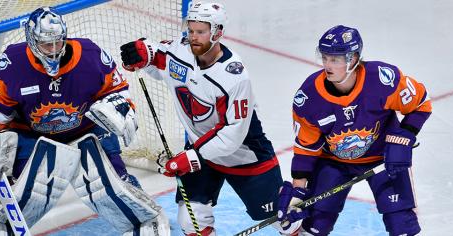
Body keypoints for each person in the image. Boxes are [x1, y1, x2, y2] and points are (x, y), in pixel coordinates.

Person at [0, 7, 169, 235]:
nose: (53, 50)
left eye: (58, 43)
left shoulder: (90, 55)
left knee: (114, 188)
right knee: (27, 195)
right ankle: (2, 227)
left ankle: (145, 221)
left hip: (88, 129)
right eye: (46, 44)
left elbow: (118, 91)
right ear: (31, 40)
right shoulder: (12, 64)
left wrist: (119, 109)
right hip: (33, 137)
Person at [119, 2, 292, 235]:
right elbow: (157, 55)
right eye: (190, 31)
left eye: (200, 32)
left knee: (282, 219)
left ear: (217, 32)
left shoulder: (233, 77)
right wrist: (142, 53)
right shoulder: (181, 52)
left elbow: (232, 134)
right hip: (201, 152)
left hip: (244, 156)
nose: (193, 37)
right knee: (191, 220)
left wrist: (192, 156)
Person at [277, 25, 431, 236]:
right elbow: (306, 147)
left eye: (335, 59)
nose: (327, 65)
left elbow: (421, 104)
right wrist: (298, 190)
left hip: (382, 159)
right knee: (314, 224)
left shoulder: (383, 79)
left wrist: (406, 134)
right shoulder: (309, 97)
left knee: (402, 224)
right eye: (325, 58)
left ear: (353, 58)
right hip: (333, 162)